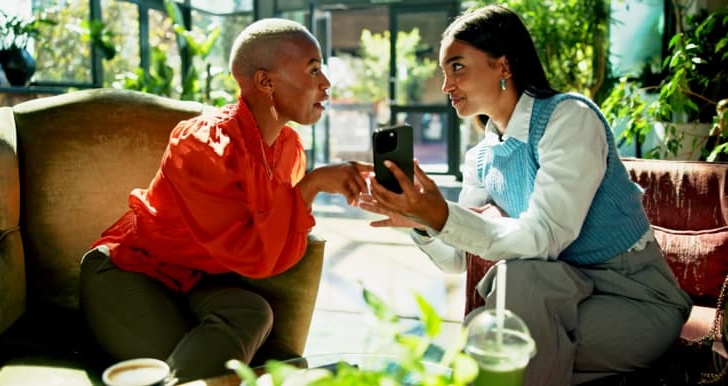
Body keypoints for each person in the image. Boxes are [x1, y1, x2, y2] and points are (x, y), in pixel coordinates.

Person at [360, 5, 692, 385]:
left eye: (457, 67)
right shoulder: (482, 156)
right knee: (512, 296)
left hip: (632, 300)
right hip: (554, 295)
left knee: (498, 331)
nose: (445, 86)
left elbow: (545, 237)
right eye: (444, 72)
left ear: (503, 66)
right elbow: (457, 258)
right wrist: (421, 223)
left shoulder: (569, 119)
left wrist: (443, 217)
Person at [79, 18, 370, 383]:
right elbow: (251, 253)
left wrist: (310, 189)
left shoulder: (288, 149)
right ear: (265, 82)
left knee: (254, 311)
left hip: (190, 283)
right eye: (313, 71)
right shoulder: (205, 145)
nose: (326, 84)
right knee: (187, 374)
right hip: (126, 274)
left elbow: (279, 251)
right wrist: (309, 188)